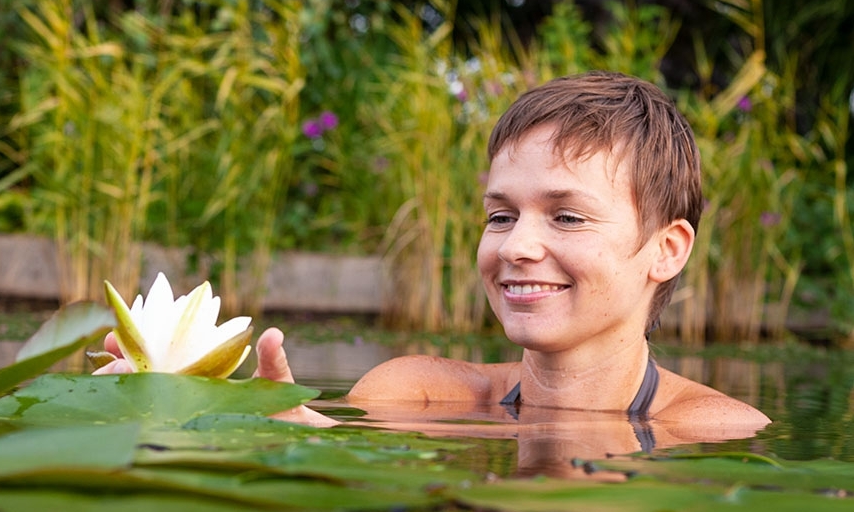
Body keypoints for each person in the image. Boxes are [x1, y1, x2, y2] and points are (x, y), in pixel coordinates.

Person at [101, 71, 771, 468]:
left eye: (567, 217)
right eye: (501, 215)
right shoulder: (412, 392)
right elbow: (336, 456)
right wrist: (194, 409)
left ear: (668, 248)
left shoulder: (715, 435)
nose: (515, 247)